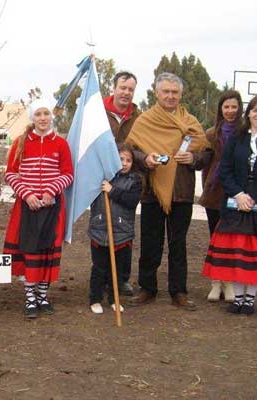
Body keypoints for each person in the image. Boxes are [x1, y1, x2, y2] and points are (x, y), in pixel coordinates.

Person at [126, 72, 208, 311]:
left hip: (181, 192)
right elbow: (130, 152)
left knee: (178, 244)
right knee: (150, 242)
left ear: (180, 95)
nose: (170, 96)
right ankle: (147, 288)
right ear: (157, 93)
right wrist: (144, 158)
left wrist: (194, 158)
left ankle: (178, 291)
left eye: (175, 92)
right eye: (166, 92)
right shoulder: (144, 121)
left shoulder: (191, 123)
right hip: (152, 191)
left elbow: (206, 154)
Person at [202, 95, 257, 315]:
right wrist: (239, 194)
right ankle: (238, 298)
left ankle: (250, 299)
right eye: (255, 110)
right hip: (236, 203)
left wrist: (255, 197)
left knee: (255, 255)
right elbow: (226, 169)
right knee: (239, 254)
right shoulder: (237, 139)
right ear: (248, 113)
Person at [3, 99, 73, 319]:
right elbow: (11, 173)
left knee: (47, 251)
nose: (43, 118)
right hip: (27, 207)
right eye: (38, 114)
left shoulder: (61, 144)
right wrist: (28, 194)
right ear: (32, 117)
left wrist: (51, 191)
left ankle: (43, 296)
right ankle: (30, 298)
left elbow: (68, 174)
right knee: (30, 249)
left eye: (46, 114)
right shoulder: (20, 142)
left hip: (52, 207)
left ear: (52, 116)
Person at [199, 90, 243, 303]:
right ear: (220, 109)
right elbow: (205, 164)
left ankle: (231, 282)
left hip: (237, 193)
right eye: (226, 107)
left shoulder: (245, 133)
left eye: (234, 106)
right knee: (215, 238)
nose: (230, 111)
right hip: (215, 193)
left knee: (233, 239)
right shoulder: (210, 134)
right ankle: (216, 282)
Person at [88, 143, 141, 314]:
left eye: (128, 160)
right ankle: (95, 298)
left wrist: (112, 191)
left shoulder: (135, 181)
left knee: (116, 269)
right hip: (99, 229)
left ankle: (113, 298)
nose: (124, 163)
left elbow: (131, 201)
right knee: (99, 267)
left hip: (122, 233)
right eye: (120, 159)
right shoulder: (102, 177)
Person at [103, 71, 141, 296]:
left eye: (131, 89)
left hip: (128, 179)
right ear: (114, 87)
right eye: (123, 87)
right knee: (102, 230)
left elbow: (142, 145)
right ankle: (103, 277)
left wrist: (142, 159)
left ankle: (122, 278)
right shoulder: (98, 112)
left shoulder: (138, 115)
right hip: (104, 179)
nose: (126, 92)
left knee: (125, 230)